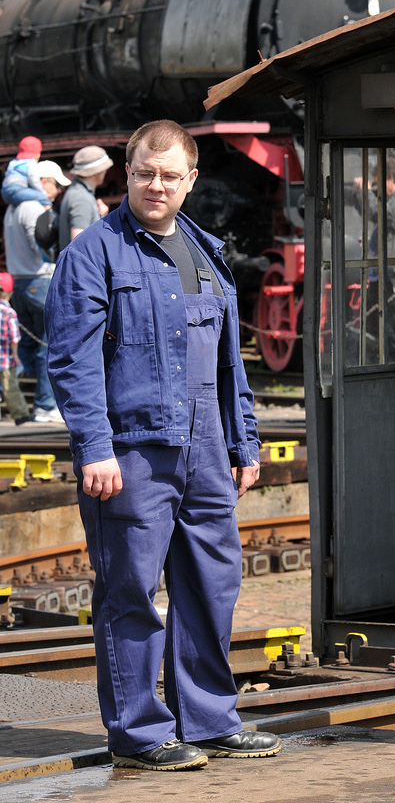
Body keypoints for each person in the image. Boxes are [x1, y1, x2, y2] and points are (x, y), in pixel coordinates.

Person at [44, 120, 281, 772]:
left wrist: (243, 442)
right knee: (131, 593)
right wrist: (93, 447)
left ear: (191, 181)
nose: (156, 185)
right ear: (128, 171)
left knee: (211, 586)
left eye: (170, 176)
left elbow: (230, 361)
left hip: (206, 451)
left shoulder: (203, 250)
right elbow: (73, 360)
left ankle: (206, 720)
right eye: (146, 173)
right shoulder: (94, 253)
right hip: (132, 451)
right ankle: (140, 733)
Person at [4, 160, 70, 423]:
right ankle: (44, 405)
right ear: (43, 183)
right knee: (47, 345)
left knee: (27, 348)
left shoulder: (12, 207)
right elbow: (39, 243)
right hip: (39, 279)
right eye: (55, 185)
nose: (57, 191)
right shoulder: (33, 207)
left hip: (19, 280)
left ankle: (23, 402)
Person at [58, 145, 113, 252]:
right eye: (104, 169)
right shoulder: (81, 198)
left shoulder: (77, 192)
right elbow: (79, 246)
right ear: (97, 172)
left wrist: (101, 216)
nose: (106, 172)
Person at [0, 273, 33, 425]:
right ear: (10, 292)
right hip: (5, 359)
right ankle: (20, 415)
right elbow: (14, 337)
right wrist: (16, 355)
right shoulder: (9, 312)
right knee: (10, 388)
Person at [2, 136, 51, 207]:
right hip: (17, 191)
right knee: (44, 199)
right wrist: (43, 193)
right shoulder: (31, 163)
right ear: (37, 154)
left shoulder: (14, 162)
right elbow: (34, 181)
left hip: (5, 193)